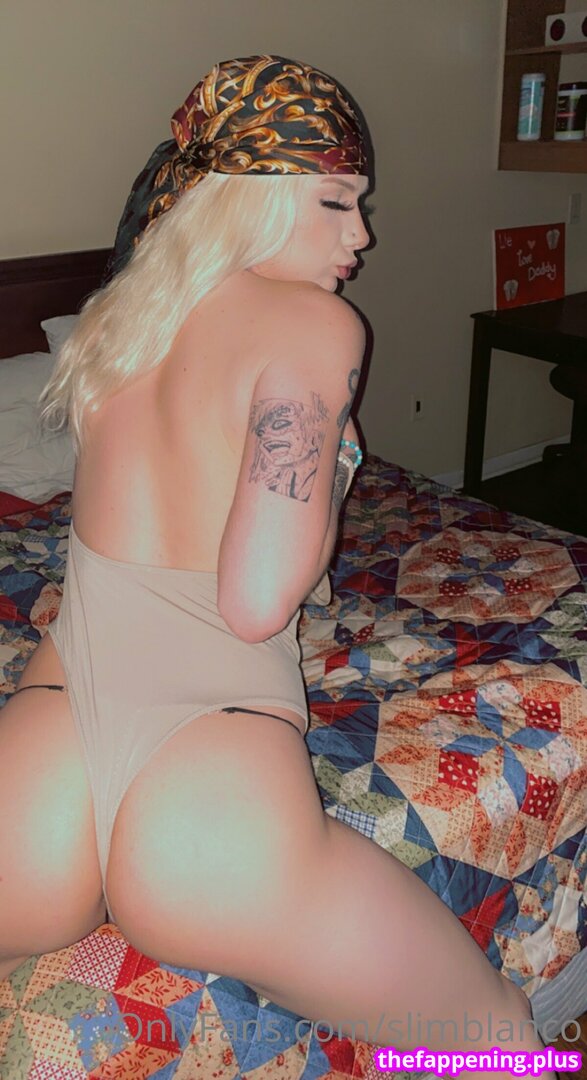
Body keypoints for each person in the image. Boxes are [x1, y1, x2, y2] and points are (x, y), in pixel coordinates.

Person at [0, 55, 556, 1077]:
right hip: (207, 780)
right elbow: (257, 600)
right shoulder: (313, 323)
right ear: (248, 198)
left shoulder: (118, 320)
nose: (361, 235)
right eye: (335, 200)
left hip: (50, 732)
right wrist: (333, 466)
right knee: (501, 1044)